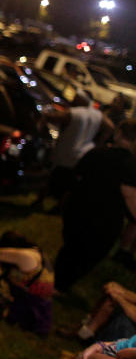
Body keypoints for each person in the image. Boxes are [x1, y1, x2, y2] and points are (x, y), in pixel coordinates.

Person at [55, 119, 136, 294]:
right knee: (87, 254)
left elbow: (75, 178)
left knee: (71, 248)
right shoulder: (131, 166)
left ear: (119, 133)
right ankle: (59, 284)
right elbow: (129, 195)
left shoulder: (96, 153)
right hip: (104, 220)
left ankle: (55, 281)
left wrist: (65, 203)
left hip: (78, 209)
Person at [36, 92, 113, 208]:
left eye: (76, 98)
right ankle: (59, 205)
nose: (73, 100)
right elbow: (110, 127)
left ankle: (41, 201)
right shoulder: (98, 115)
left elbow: (52, 117)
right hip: (83, 153)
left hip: (65, 152)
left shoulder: (74, 113)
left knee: (51, 177)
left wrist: (44, 118)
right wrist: (98, 143)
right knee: (71, 183)